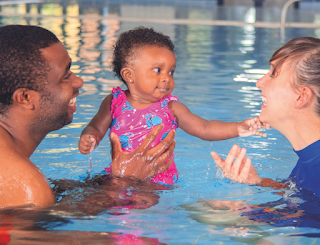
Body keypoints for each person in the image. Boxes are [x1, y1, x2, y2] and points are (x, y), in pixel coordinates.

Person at [0, 25, 176, 209]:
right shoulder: (27, 188)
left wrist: (106, 183)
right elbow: (49, 236)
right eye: (65, 76)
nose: (79, 81)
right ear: (25, 98)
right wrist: (125, 181)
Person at [78, 27, 269, 185]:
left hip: (158, 181)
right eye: (157, 70)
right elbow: (96, 126)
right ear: (129, 75)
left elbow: (205, 127)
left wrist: (237, 128)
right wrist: (90, 137)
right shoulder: (114, 102)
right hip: (120, 172)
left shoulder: (171, 108)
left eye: (171, 72)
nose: (166, 78)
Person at [211, 37, 320, 198]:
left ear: (301, 96)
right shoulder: (308, 161)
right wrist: (258, 181)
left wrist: (243, 216)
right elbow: (302, 195)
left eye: (273, 74)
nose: (259, 82)